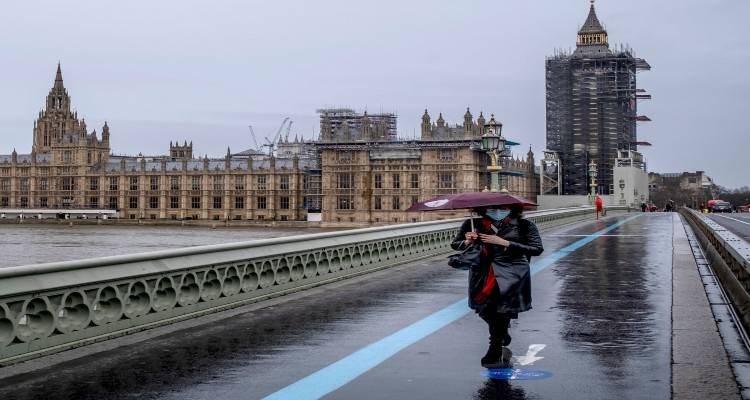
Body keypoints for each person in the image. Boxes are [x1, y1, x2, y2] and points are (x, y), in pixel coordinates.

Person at [450, 204, 544, 368]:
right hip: (482, 274)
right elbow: (455, 244)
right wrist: (467, 241)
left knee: (501, 309)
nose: (498, 212)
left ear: (513, 209)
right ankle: (503, 334)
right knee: (483, 309)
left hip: (512, 273)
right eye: (492, 209)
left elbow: (536, 249)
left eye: (503, 208)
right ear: (483, 209)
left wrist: (505, 243)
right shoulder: (473, 224)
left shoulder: (524, 225)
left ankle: (494, 351)